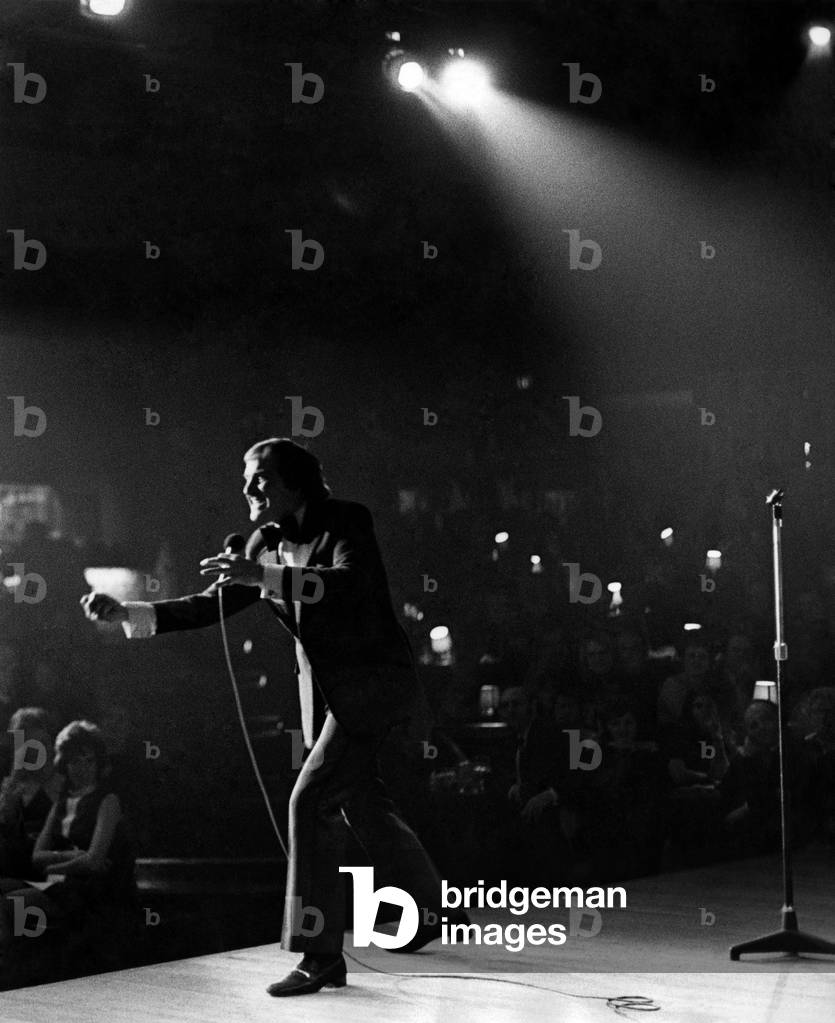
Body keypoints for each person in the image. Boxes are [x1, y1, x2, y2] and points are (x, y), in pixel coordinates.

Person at [80, 437, 462, 997]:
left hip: (373, 687)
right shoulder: (265, 541)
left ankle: (320, 955)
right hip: (326, 695)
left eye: (259, 478)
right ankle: (431, 908)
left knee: (310, 802)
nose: (248, 490)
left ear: (295, 482)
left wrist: (263, 578)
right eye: (246, 479)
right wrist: (129, 613)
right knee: (361, 801)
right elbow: (212, 603)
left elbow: (350, 586)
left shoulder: (346, 521)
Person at [0, 721, 136, 980]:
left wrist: (56, 866)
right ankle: (13, 966)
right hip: (59, 885)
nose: (81, 768)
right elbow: (37, 856)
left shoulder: (108, 800)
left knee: (11, 903)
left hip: (89, 893)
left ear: (98, 763)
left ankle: (10, 972)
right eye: (74, 761)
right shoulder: (61, 804)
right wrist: (72, 857)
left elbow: (95, 860)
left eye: (88, 761)